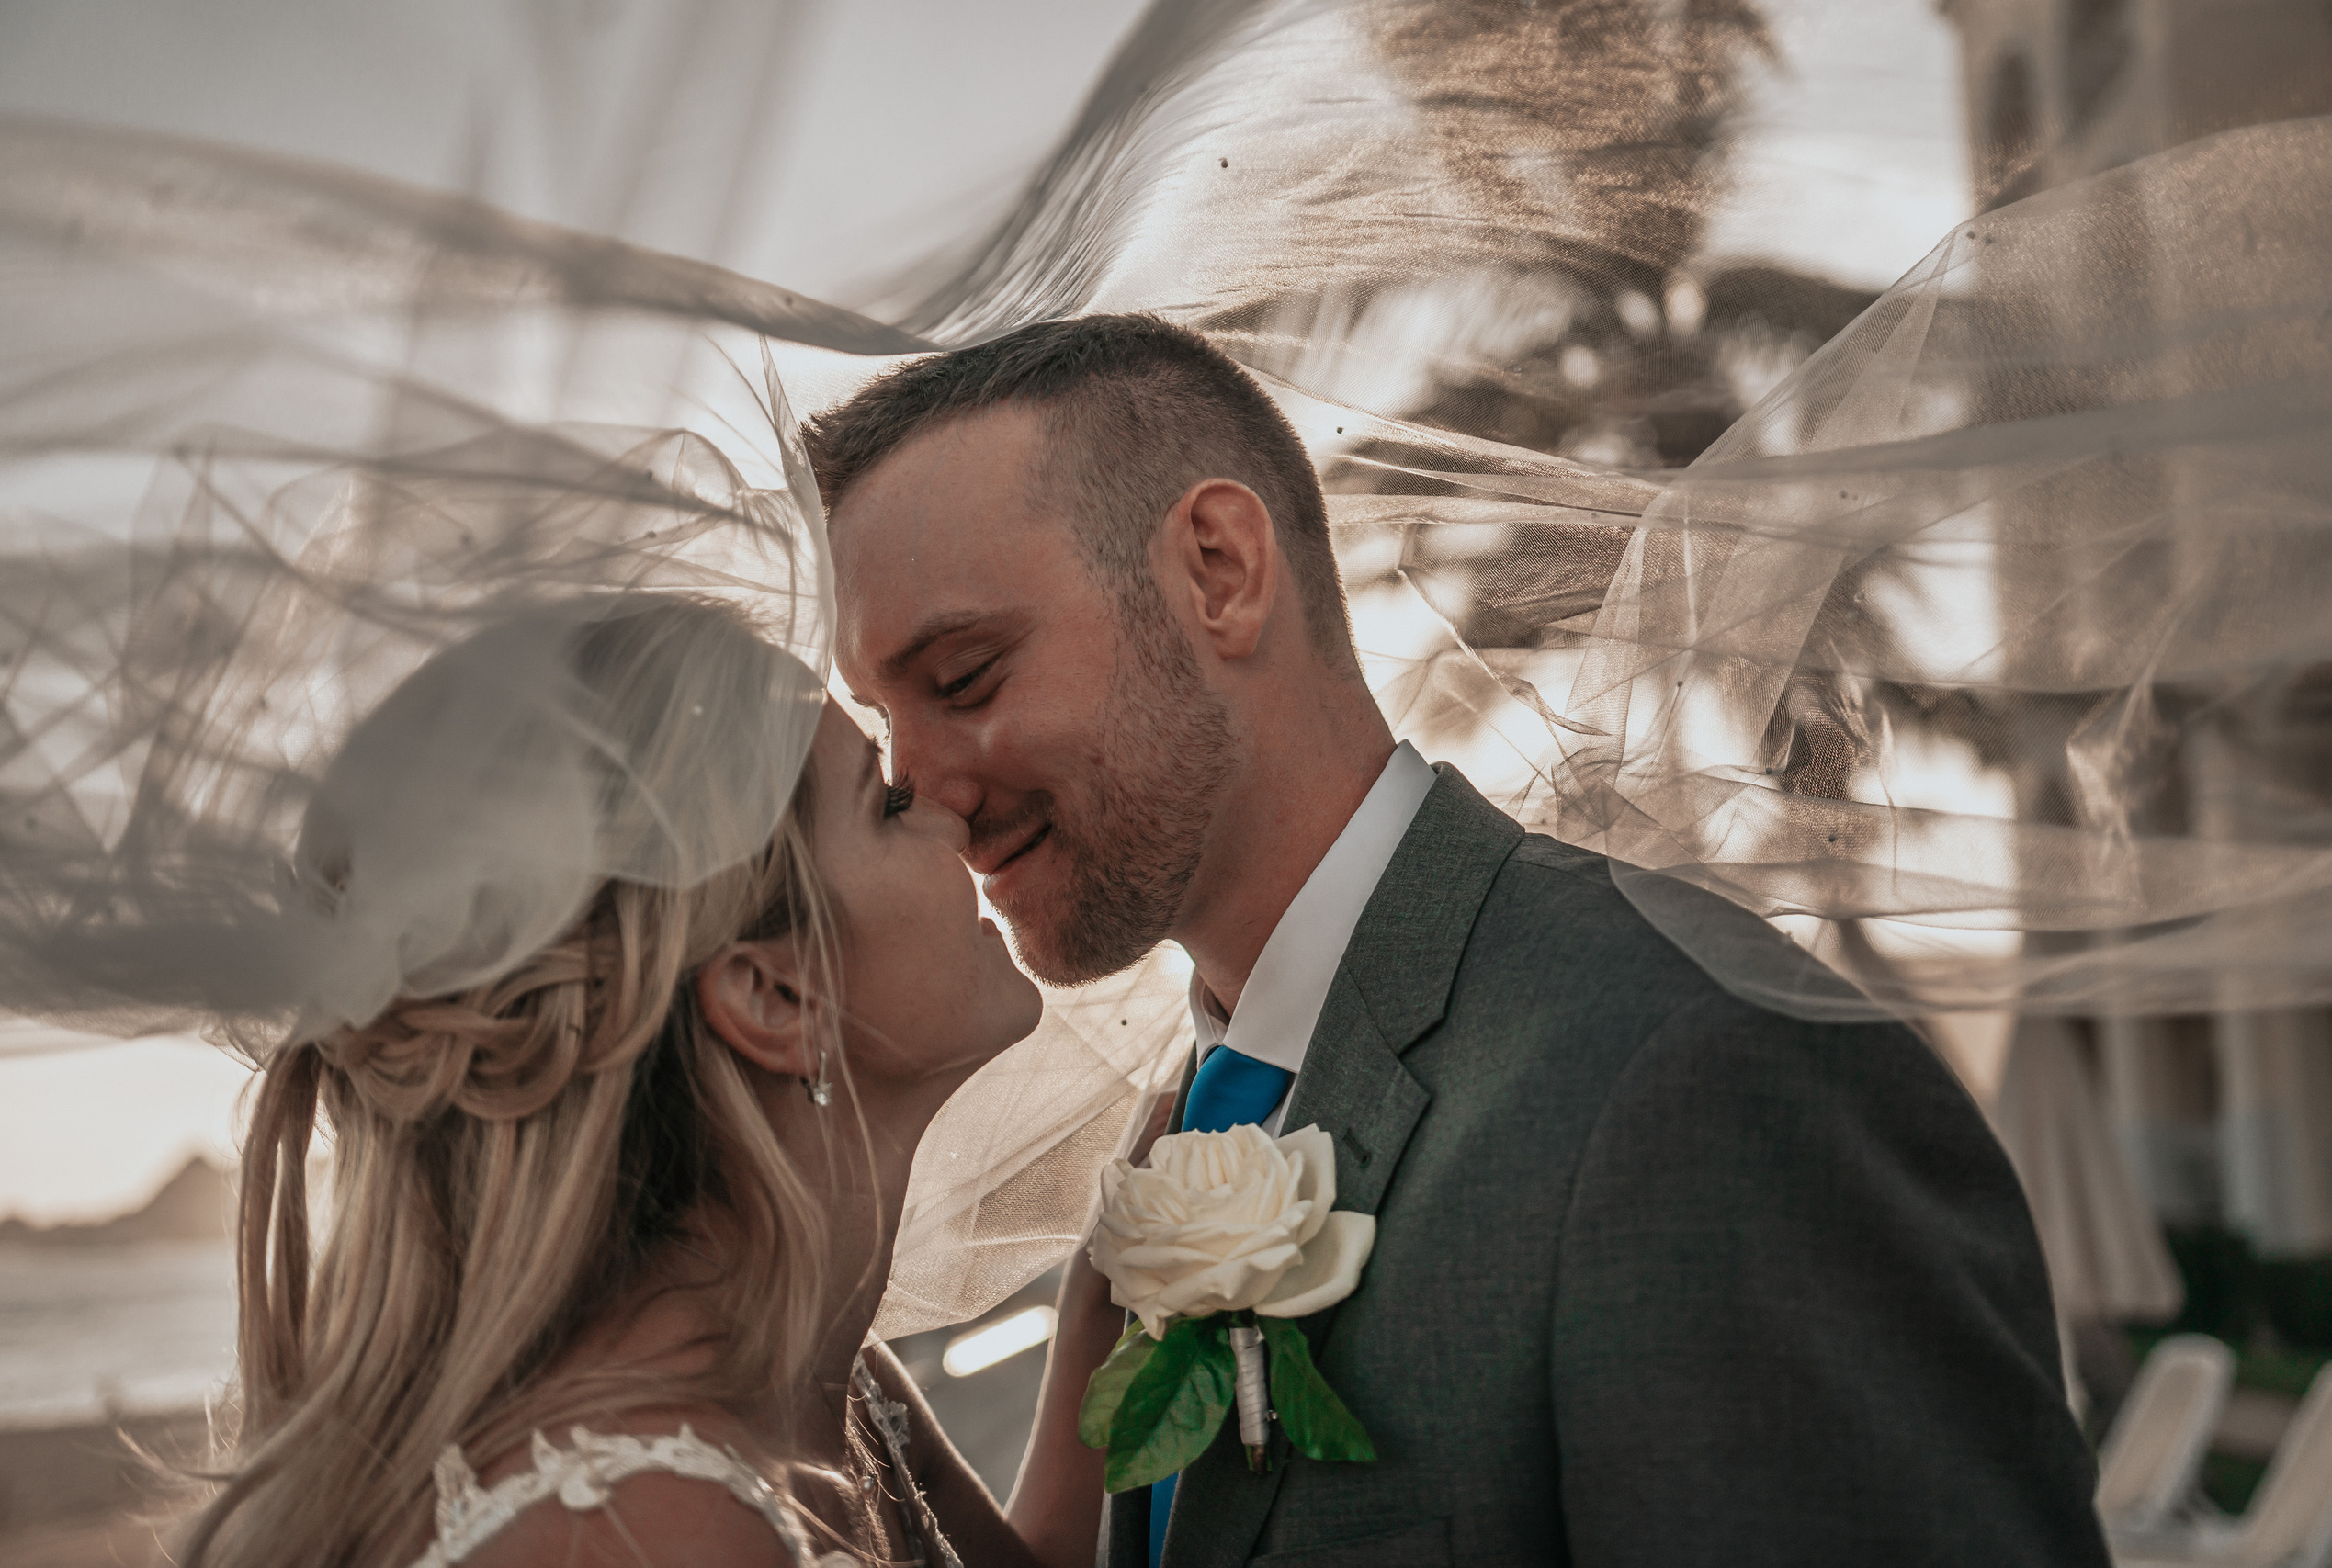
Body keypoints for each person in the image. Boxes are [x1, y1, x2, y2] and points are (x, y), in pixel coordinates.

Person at [818, 313, 2110, 1567]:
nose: (919, 789)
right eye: (881, 724)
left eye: (964, 678)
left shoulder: (1696, 1079)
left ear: (1218, 568)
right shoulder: (1186, 1132)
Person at [179, 592, 1070, 1568]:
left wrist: (1127, 1283)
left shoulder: (836, 1391)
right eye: (887, 804)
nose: (947, 813)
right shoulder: (641, 1533)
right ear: (775, 995)